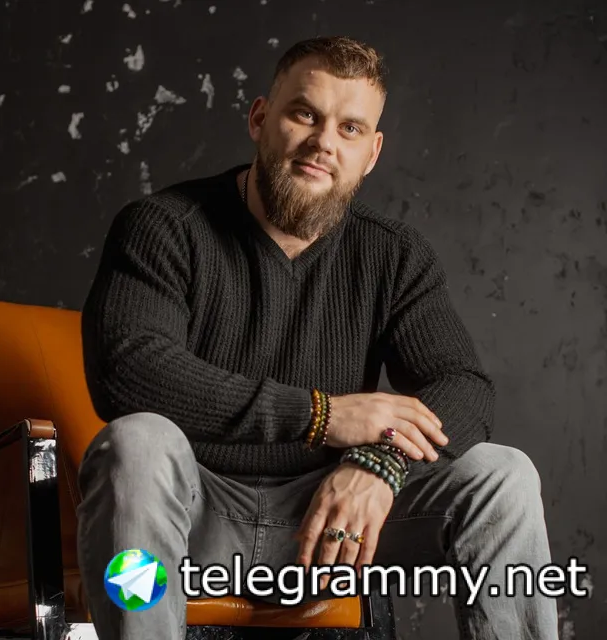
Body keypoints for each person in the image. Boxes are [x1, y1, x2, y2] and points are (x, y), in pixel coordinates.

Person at [77, 35, 559, 640]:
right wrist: (321, 416)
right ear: (260, 119)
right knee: (136, 443)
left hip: (332, 530)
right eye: (305, 114)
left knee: (503, 474)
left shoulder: (393, 255)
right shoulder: (164, 227)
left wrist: (380, 463)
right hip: (192, 520)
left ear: (372, 153)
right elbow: (127, 371)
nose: (324, 143)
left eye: (350, 128)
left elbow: (463, 386)